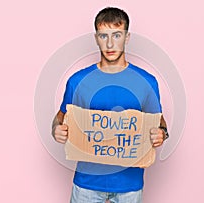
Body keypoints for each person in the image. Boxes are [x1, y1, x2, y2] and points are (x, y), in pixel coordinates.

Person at [52, 7, 168, 203]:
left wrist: (162, 134)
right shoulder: (78, 81)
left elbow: (159, 121)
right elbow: (61, 115)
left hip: (129, 185)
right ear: (96, 38)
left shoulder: (147, 81)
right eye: (103, 36)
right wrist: (56, 128)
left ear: (127, 37)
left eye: (117, 35)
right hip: (86, 184)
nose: (110, 43)